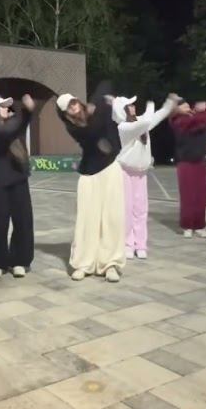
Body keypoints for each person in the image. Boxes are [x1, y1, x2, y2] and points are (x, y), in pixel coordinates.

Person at [56, 81, 125, 282]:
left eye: (74, 102)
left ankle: (110, 264)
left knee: (112, 218)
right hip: (89, 174)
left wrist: (97, 102)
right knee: (87, 220)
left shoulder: (97, 110)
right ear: (65, 114)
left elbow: (105, 84)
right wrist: (102, 105)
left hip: (110, 168)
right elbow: (92, 130)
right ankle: (83, 264)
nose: (73, 106)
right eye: (68, 106)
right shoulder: (74, 128)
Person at [113, 92, 180, 259]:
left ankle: (140, 245)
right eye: (129, 106)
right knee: (127, 210)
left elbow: (158, 116)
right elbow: (147, 121)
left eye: (132, 105)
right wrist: (150, 106)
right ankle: (128, 244)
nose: (133, 107)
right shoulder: (123, 127)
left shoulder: (141, 122)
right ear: (122, 111)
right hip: (125, 171)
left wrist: (169, 102)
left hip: (141, 173)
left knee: (141, 210)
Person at [0, 93, 36, 278]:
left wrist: (28, 112)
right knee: (0, 222)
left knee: (23, 221)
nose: (7, 108)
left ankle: (20, 261)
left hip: (20, 177)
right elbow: (8, 132)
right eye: (2, 106)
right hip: (2, 179)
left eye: (7, 105)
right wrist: (25, 113)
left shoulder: (15, 123)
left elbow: (21, 124)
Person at [169, 99, 206, 237]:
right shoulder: (177, 120)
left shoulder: (198, 118)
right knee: (188, 196)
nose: (187, 107)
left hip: (201, 161)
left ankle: (199, 225)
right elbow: (197, 121)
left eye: (187, 105)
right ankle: (187, 226)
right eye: (183, 106)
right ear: (177, 109)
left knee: (201, 196)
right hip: (185, 163)